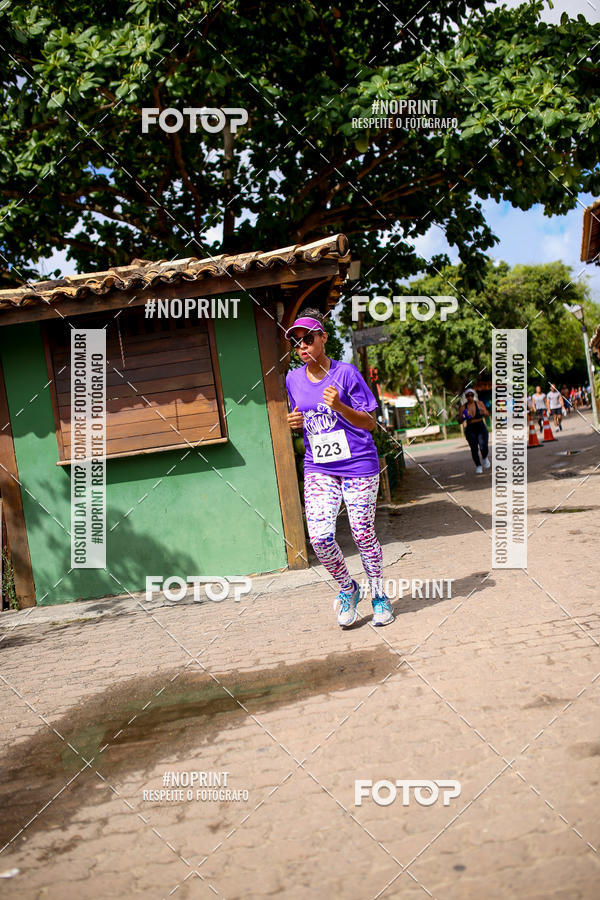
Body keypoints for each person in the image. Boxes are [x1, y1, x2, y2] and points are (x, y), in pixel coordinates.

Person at [285, 309, 394, 629]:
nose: (301, 345)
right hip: (319, 467)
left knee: (362, 533)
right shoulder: (293, 378)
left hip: (359, 464)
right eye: (296, 341)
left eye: (308, 338)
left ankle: (379, 596)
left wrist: (340, 407)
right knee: (319, 537)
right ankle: (349, 588)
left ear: (323, 338)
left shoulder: (347, 374)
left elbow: (370, 422)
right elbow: (301, 416)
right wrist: (295, 423)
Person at [459, 388, 490, 474]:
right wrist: (464, 416)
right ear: (465, 397)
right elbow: (459, 421)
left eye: (471, 395)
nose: (470, 397)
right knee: (474, 448)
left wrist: (484, 412)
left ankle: (484, 457)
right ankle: (478, 465)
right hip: (470, 428)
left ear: (474, 395)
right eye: (468, 396)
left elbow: (487, 414)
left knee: (483, 445)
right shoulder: (463, 407)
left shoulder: (479, 404)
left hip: (480, 426)